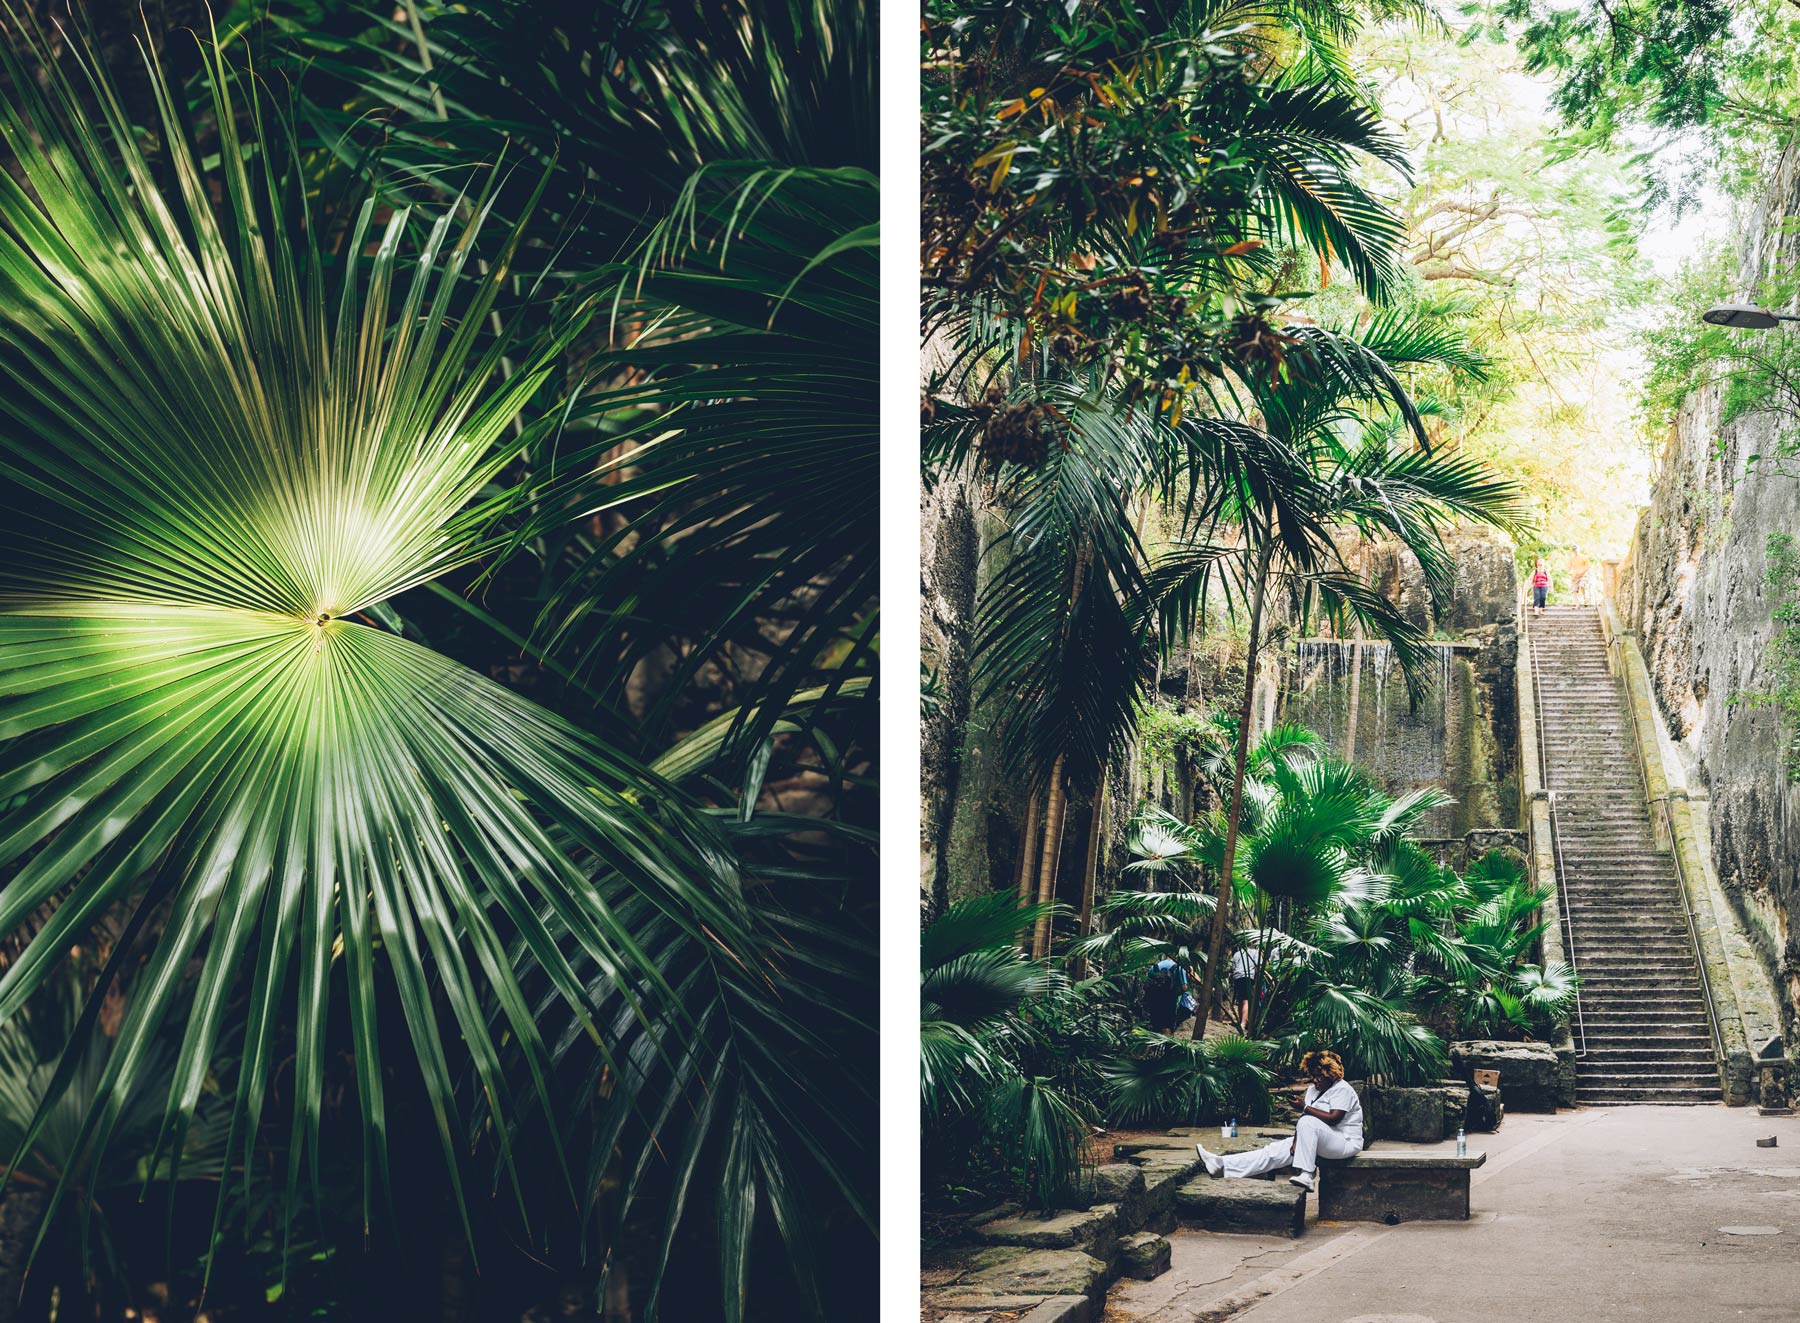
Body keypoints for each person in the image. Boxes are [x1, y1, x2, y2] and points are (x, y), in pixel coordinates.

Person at [1193, 1049, 1364, 1192]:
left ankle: (1307, 1175)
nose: (1315, 1080)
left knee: (1307, 1122)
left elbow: (1333, 1119)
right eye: (1313, 1075)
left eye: (1320, 1076)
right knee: (1272, 1152)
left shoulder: (1342, 1089)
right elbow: (1307, 1120)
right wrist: (1297, 1142)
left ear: (1331, 1074)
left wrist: (1304, 1107)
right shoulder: (1313, 1090)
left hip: (1344, 1143)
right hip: (1322, 1140)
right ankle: (1221, 1165)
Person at [1144, 956, 1187, 1034]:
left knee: (1156, 1025)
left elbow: (1146, 986)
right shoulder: (1178, 968)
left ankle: (1155, 1044)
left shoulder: (1155, 966)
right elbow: (1184, 988)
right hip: (1170, 1001)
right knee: (1167, 1026)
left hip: (1155, 999)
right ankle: (1166, 1045)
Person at [1230, 940, 1262, 1030]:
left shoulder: (1237, 954)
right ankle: (1243, 1023)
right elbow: (1259, 966)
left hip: (1238, 977)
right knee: (1246, 1000)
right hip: (1248, 977)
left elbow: (1233, 967)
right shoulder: (1255, 953)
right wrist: (1256, 981)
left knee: (1241, 1000)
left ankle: (1241, 1020)